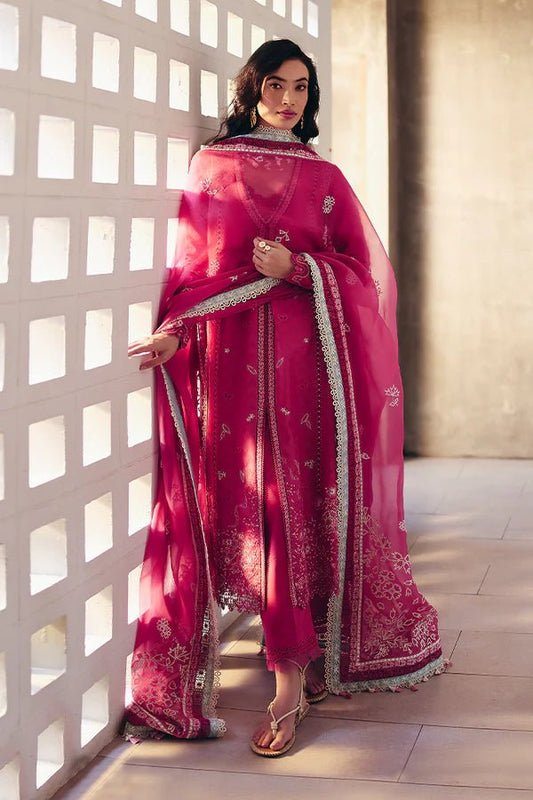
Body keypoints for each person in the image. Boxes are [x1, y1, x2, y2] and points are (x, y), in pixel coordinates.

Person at [125, 39, 446, 756]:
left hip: (312, 366)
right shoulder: (214, 165)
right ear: (252, 88)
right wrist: (173, 332)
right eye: (276, 84)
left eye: (301, 87)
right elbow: (193, 268)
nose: (289, 99)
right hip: (236, 365)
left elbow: (362, 277)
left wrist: (300, 267)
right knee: (257, 507)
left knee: (301, 504)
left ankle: (293, 682)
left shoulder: (325, 176)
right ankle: (293, 668)